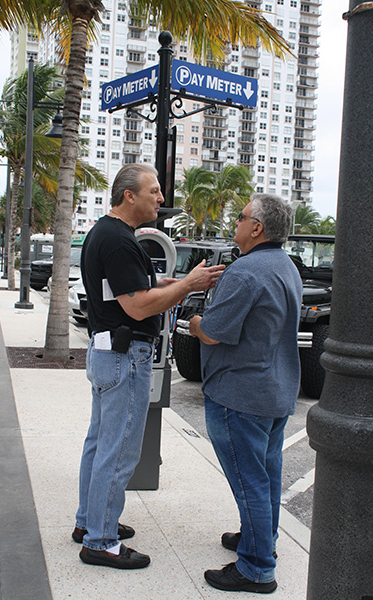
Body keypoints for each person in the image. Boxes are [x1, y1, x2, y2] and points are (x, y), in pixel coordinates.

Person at [74, 163, 225, 570]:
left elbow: (135, 284)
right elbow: (137, 304)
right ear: (130, 196)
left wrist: (181, 280)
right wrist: (186, 288)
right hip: (124, 358)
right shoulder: (121, 241)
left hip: (106, 352)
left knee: (99, 443)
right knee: (118, 450)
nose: (161, 198)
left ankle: (89, 523)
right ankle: (101, 542)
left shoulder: (104, 233)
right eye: (154, 191)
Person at [189, 193, 302, 594]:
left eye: (240, 217)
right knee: (266, 476)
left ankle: (256, 567)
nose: (235, 223)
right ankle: (261, 540)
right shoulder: (286, 266)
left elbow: (214, 333)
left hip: (240, 393)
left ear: (256, 227)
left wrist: (195, 322)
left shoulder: (246, 270)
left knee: (249, 480)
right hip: (276, 390)